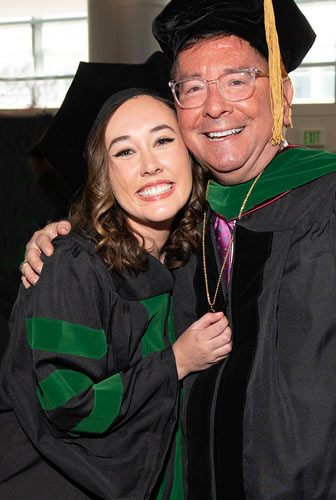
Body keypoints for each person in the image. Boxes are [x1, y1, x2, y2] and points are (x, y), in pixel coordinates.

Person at [21, 0, 336, 498]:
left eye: (238, 80)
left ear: (283, 93)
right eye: (193, 88)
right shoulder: (190, 225)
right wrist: (66, 235)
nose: (215, 105)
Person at [0, 53, 232, 500]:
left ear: (190, 153)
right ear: (104, 175)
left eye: (163, 141)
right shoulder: (70, 265)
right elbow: (68, 404)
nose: (150, 165)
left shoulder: (192, 260)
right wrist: (177, 361)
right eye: (124, 150)